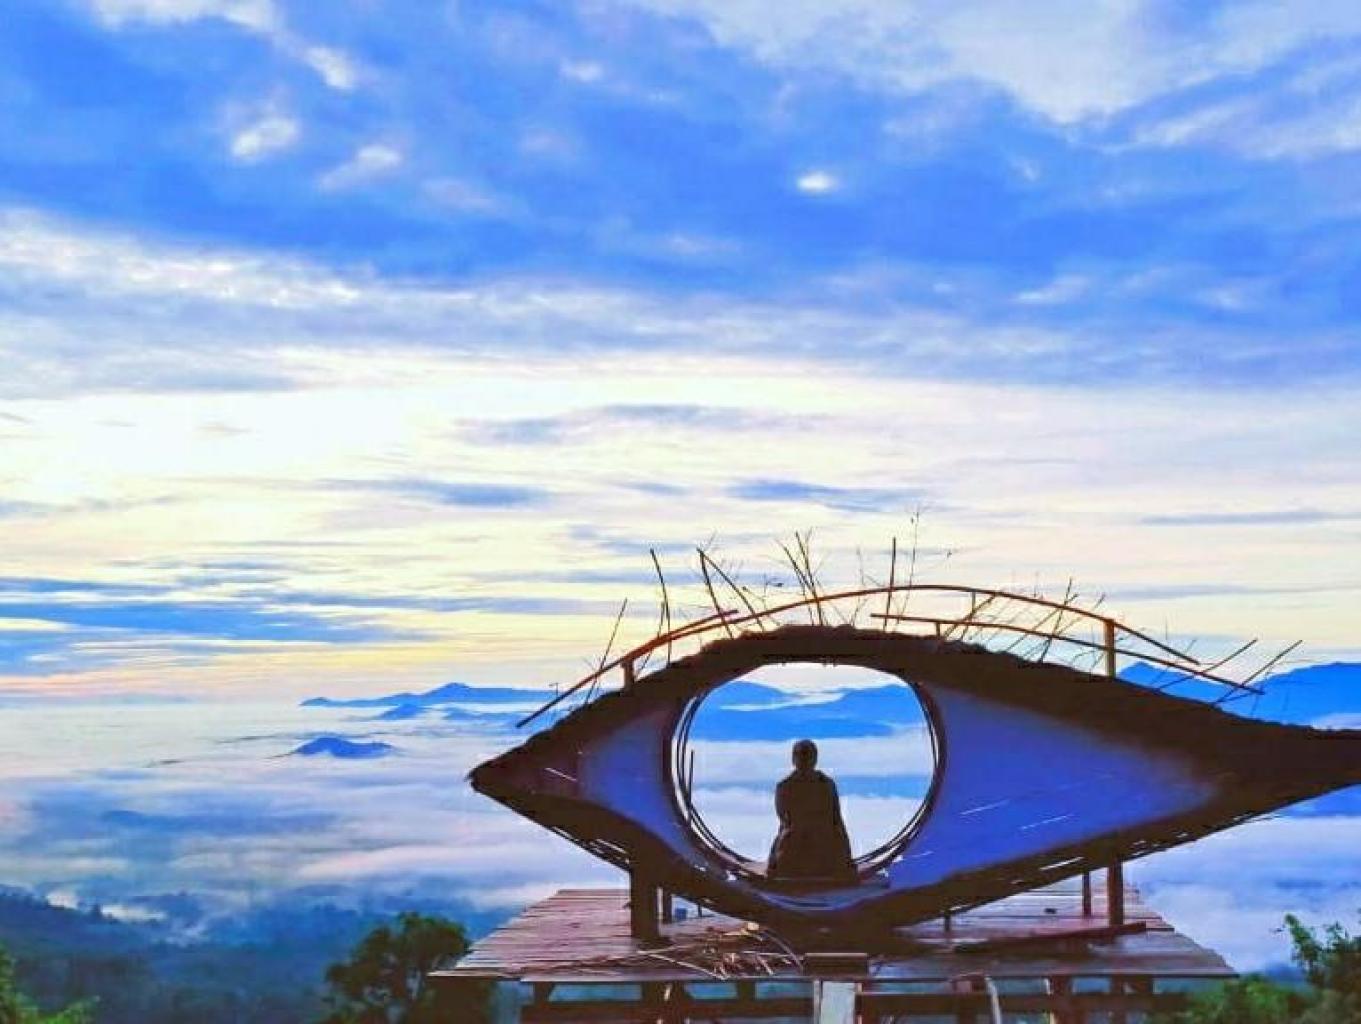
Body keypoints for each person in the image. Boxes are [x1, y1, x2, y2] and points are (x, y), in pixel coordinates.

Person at [767, 738, 856, 883]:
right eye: (801, 756)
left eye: (807, 756)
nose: (804, 761)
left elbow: (837, 821)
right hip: (804, 852)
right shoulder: (786, 786)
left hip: (817, 852)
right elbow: (785, 822)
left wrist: (847, 858)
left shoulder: (825, 785)